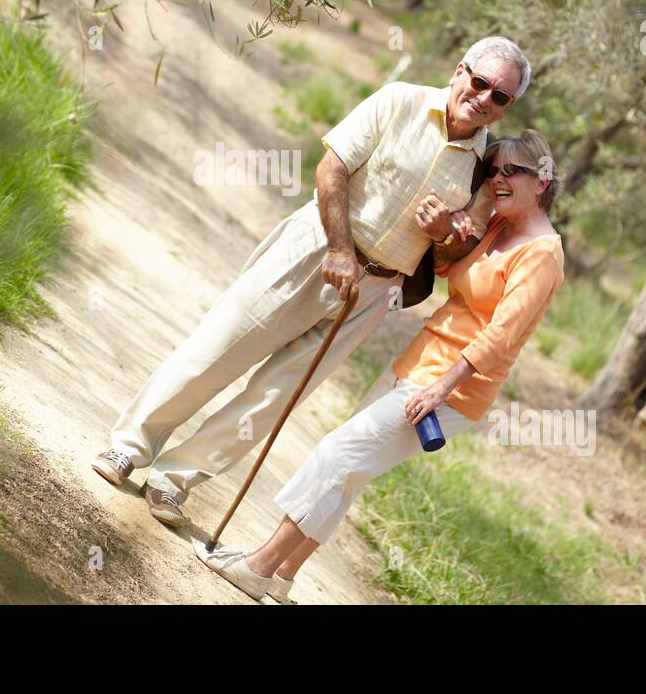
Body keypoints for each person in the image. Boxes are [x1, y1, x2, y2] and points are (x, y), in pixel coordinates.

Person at [90, 38, 533, 542]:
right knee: (216, 351)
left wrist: (441, 236)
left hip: (373, 293)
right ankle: (129, 447)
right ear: (460, 71)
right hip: (316, 250)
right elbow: (334, 167)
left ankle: (175, 480)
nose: (484, 99)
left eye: (501, 97)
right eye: (480, 83)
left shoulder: (485, 167)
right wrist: (340, 250)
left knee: (274, 397)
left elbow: (452, 256)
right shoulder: (400, 101)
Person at [200, 129, 565, 603]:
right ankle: (285, 575)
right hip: (416, 363)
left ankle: (257, 567)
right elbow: (452, 273)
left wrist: (439, 390)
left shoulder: (542, 253)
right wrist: (442, 234)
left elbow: (501, 336)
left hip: (449, 389)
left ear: (541, 181)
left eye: (511, 171)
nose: (498, 179)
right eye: (493, 171)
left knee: (338, 454)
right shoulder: (499, 227)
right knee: (352, 470)